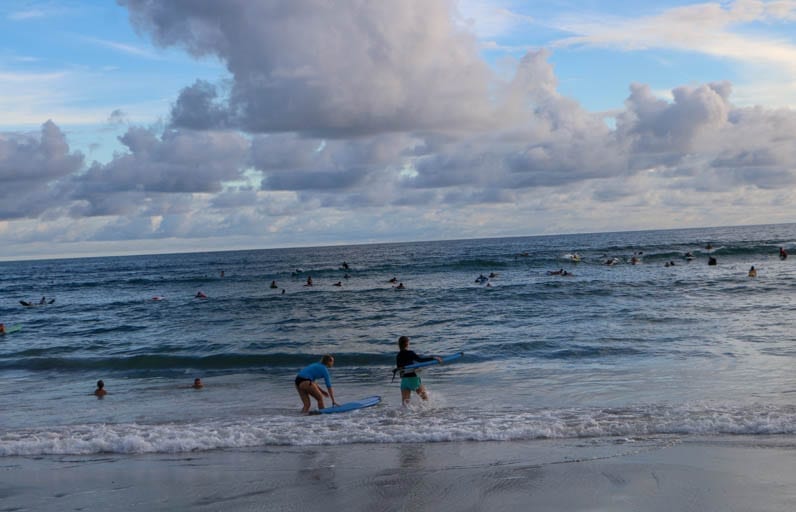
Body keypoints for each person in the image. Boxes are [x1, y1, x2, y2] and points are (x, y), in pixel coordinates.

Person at [395, 336, 442, 406]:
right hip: (413, 379)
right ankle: (430, 414)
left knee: (405, 404)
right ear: (407, 343)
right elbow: (420, 360)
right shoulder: (410, 353)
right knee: (425, 399)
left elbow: (400, 370)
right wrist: (433, 358)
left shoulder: (398, 355)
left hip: (404, 381)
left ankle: (403, 416)